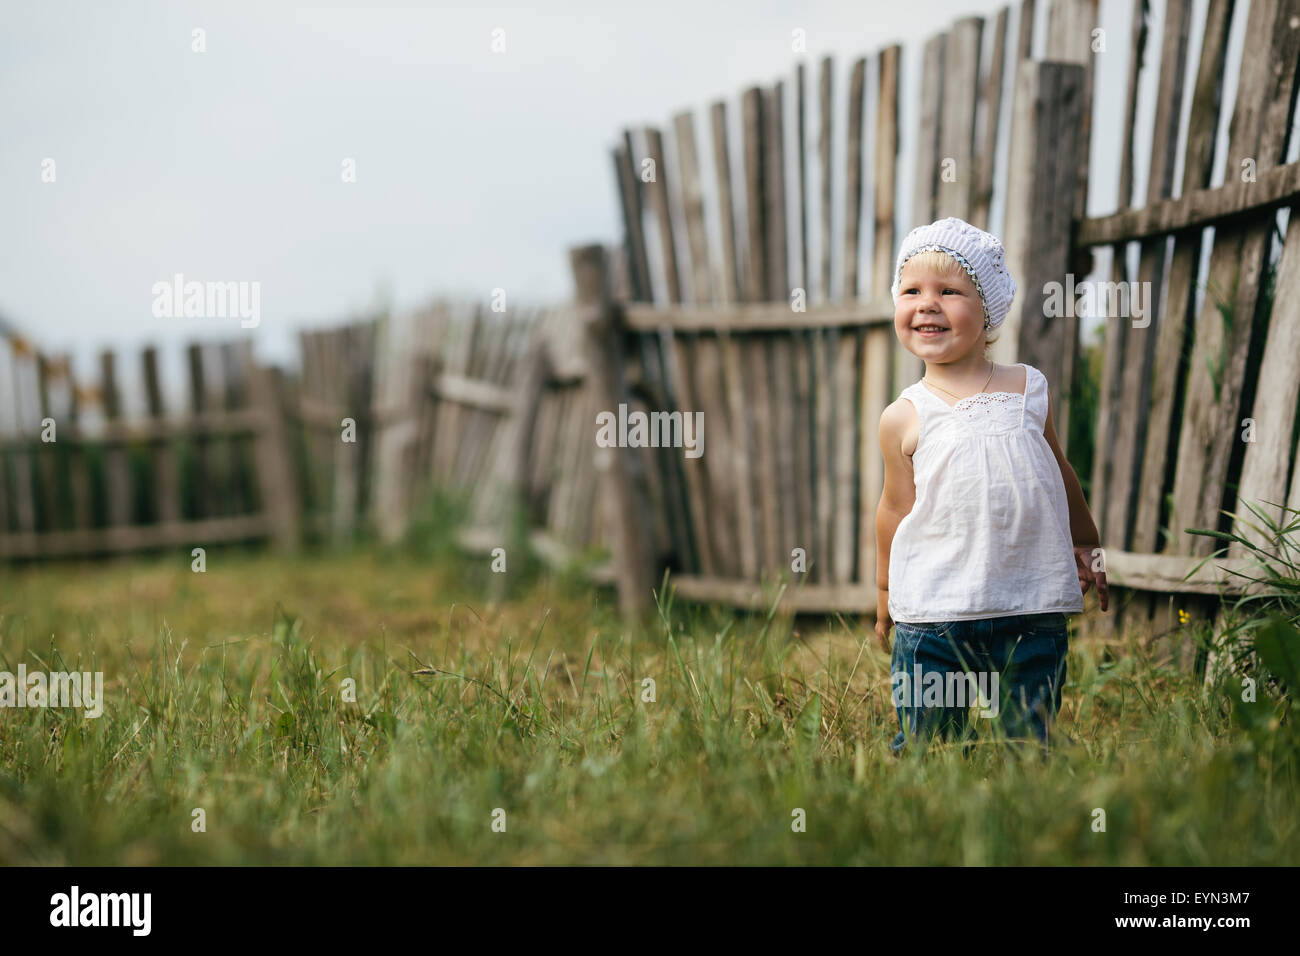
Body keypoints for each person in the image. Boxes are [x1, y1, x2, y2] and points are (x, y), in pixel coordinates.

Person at [874, 216, 1109, 755]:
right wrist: (887, 591)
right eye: (911, 290)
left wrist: (1087, 543)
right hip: (933, 614)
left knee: (1029, 741)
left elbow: (1058, 470)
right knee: (930, 744)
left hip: (1028, 607)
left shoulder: (1027, 388)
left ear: (988, 312)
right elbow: (893, 509)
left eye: (949, 291)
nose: (926, 303)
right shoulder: (903, 416)